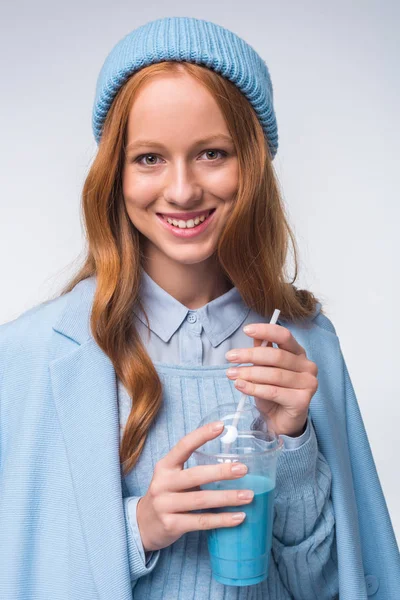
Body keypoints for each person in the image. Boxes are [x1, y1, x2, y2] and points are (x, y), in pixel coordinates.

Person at [0, 15, 399, 600]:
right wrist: (138, 530)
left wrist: (290, 444)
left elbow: (337, 585)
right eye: (149, 158)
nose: (183, 190)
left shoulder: (306, 346)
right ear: (115, 173)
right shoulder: (29, 354)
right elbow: (21, 563)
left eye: (212, 153)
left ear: (254, 164)